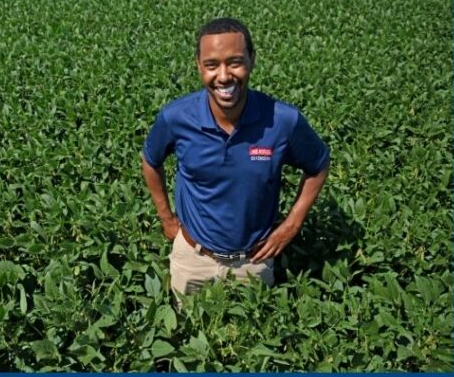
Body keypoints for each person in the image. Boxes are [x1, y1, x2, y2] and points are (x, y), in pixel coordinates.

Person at [141, 17, 329, 295]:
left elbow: (318, 164)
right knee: (185, 331)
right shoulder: (176, 118)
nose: (224, 76)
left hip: (253, 263)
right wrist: (167, 219)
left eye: (235, 62)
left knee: (252, 334)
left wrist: (291, 225)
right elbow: (150, 161)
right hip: (193, 258)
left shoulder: (283, 121)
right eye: (212, 65)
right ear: (198, 66)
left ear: (252, 60)